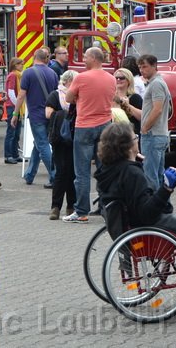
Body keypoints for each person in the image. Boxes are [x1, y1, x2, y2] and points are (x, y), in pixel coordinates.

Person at [95, 121, 176, 267]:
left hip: (130, 226)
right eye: (135, 137)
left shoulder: (108, 171)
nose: (137, 139)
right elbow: (147, 213)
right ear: (127, 146)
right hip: (152, 225)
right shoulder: (132, 173)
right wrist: (166, 188)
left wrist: (136, 162)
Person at [64, 47, 116, 223]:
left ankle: (81, 211)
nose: (83, 59)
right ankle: (105, 208)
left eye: (85, 56)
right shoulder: (111, 78)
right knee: (104, 170)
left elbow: (68, 98)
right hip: (105, 125)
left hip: (84, 126)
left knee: (82, 172)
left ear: (94, 58)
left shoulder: (81, 77)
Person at [11, 49, 58, 187]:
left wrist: (15, 114)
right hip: (50, 114)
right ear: (46, 59)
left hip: (36, 115)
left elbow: (21, 95)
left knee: (42, 145)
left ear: (34, 57)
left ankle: (55, 176)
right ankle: (30, 175)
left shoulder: (28, 72)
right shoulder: (53, 73)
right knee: (38, 144)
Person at [136, 54, 170, 194]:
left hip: (153, 134)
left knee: (151, 175)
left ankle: (154, 207)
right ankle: (162, 206)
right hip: (158, 134)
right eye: (140, 67)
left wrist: (145, 127)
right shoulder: (156, 83)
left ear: (154, 66)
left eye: (145, 66)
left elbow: (157, 109)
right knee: (159, 174)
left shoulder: (156, 84)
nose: (142, 70)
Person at [46, 70, 77, 220]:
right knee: (61, 172)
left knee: (72, 173)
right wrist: (65, 116)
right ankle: (55, 207)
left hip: (74, 138)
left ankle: (71, 205)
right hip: (59, 138)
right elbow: (48, 113)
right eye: (72, 81)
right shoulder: (55, 95)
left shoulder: (78, 96)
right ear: (65, 82)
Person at [3, 58, 23, 164]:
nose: (22, 66)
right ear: (15, 65)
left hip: (15, 106)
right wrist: (17, 106)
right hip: (13, 107)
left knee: (17, 132)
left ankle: (15, 154)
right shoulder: (13, 76)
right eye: (20, 64)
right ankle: (8, 155)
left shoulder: (17, 75)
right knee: (11, 132)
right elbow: (11, 92)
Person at [113, 67, 142, 134]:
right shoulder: (110, 97)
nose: (118, 79)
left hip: (130, 134)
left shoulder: (135, 97)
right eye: (116, 78)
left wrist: (128, 105)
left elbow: (142, 117)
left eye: (122, 78)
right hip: (114, 134)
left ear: (129, 80)